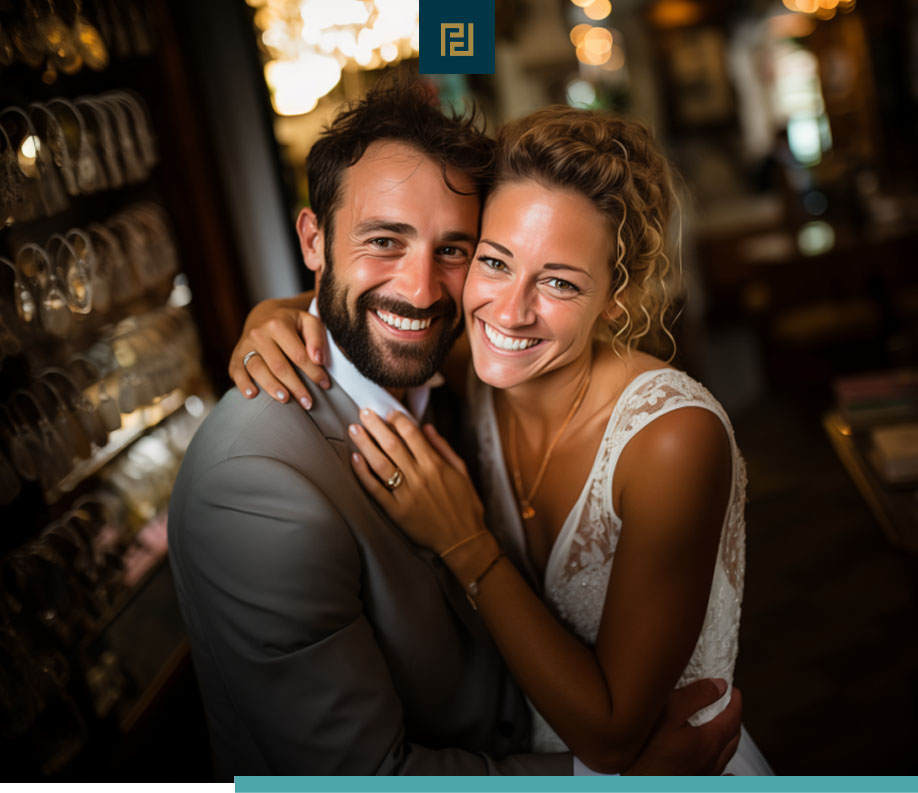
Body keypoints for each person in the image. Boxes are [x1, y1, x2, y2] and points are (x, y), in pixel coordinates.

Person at [172, 77, 741, 777]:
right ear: (314, 242)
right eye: (495, 262)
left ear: (616, 299)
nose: (508, 309)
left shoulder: (478, 370)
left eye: (560, 281)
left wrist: (468, 544)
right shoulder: (261, 480)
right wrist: (281, 311)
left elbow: (613, 728)